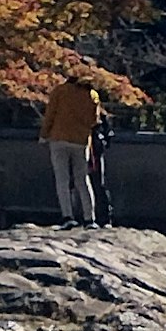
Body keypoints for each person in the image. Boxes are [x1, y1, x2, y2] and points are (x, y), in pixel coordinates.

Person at [39, 71, 102, 224]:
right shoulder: (92, 94)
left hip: (58, 138)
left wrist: (44, 134)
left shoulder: (60, 91)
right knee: (82, 179)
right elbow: (94, 121)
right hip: (80, 141)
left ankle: (67, 216)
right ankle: (89, 218)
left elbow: (50, 115)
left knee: (62, 179)